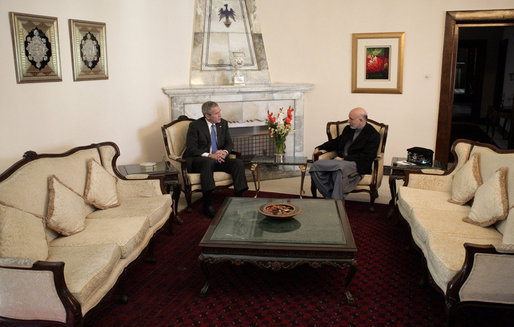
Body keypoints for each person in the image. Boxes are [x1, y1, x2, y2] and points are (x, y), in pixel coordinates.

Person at [183, 101, 248, 217]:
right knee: (208, 162)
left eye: (220, 111)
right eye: (216, 113)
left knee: (238, 163)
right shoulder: (195, 126)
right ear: (207, 116)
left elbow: (229, 144)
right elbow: (191, 148)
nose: (220, 115)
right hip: (199, 159)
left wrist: (224, 152)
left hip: (218, 158)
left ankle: (239, 198)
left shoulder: (223, 123)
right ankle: (207, 204)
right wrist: (209, 155)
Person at [309, 107, 380, 200]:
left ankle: (335, 201)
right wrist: (319, 147)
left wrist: (344, 159)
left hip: (357, 163)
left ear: (361, 120)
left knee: (339, 170)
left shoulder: (373, 134)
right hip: (340, 161)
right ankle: (330, 197)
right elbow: (336, 142)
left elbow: (367, 156)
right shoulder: (348, 129)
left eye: (351, 119)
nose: (348, 121)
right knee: (315, 166)